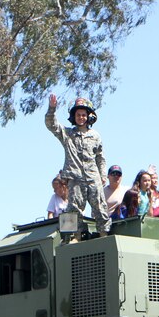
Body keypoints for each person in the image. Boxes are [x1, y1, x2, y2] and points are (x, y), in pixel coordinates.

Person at [44, 93, 109, 237]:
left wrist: (103, 175)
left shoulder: (95, 135)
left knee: (100, 206)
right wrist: (52, 109)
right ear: (74, 117)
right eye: (78, 115)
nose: (81, 117)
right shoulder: (68, 134)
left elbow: (100, 158)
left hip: (93, 177)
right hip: (75, 177)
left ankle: (104, 234)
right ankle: (75, 237)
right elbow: (51, 125)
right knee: (73, 208)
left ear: (89, 116)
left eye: (84, 115)